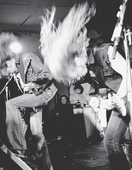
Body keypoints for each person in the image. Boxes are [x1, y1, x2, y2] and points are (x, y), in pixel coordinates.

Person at [39, 1, 132, 170]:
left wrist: (118, 98)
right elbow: (95, 92)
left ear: (76, 58)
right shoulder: (86, 69)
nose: (77, 76)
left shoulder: (104, 51)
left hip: (129, 96)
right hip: (123, 101)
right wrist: (97, 102)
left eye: (74, 71)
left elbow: (128, 75)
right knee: (110, 142)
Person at [0, 32, 58, 170]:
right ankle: (47, 167)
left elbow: (47, 75)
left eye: (9, 71)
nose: (12, 74)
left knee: (11, 103)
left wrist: (33, 84)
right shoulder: (16, 71)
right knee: (37, 133)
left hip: (44, 92)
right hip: (34, 97)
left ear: (8, 62)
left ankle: (20, 149)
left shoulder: (27, 57)